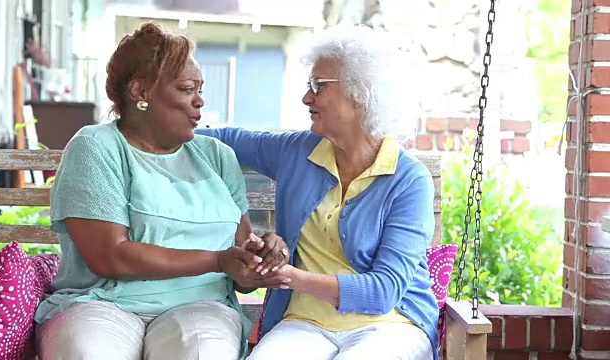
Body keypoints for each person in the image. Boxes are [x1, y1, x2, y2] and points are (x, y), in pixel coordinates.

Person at [33, 22, 289, 360]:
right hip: (105, 303)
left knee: (204, 354)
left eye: (200, 88)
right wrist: (216, 260)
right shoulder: (96, 147)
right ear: (140, 92)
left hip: (202, 305)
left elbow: (241, 268)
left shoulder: (217, 157)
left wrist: (259, 257)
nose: (200, 101)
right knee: (88, 352)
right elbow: (110, 256)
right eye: (186, 89)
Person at [196, 24, 438, 360]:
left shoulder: (408, 180)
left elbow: (384, 291)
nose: (306, 98)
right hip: (304, 323)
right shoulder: (297, 151)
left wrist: (292, 277)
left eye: (317, 86)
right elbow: (226, 140)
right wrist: (167, 122)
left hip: (390, 325)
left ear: (359, 93)